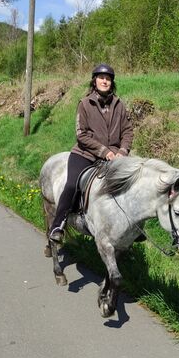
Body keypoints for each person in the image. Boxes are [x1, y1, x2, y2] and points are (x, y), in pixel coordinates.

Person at [49, 63, 133, 242]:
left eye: (108, 78)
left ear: (112, 82)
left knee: (133, 182)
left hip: (115, 157)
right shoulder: (85, 104)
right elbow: (82, 135)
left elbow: (127, 131)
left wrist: (123, 151)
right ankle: (59, 224)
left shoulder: (119, 105)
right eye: (101, 78)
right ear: (94, 81)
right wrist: (104, 151)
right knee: (72, 185)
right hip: (85, 155)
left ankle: (133, 229)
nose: (105, 81)